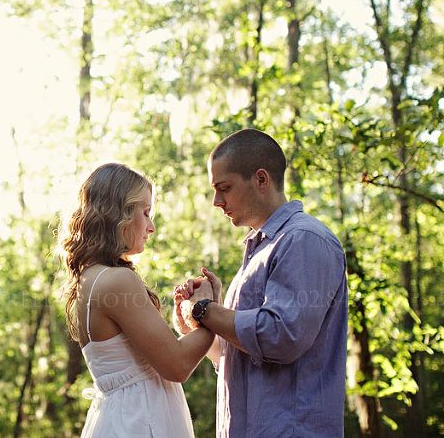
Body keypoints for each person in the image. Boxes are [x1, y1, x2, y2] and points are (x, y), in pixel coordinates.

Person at [175, 128, 348, 438]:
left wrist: (205, 310)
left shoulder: (303, 240)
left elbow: (281, 335)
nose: (216, 201)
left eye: (224, 187)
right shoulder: (259, 251)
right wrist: (199, 326)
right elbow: (235, 359)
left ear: (261, 179)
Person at [60, 162, 215, 438]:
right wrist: (209, 310)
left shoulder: (91, 277)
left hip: (122, 416)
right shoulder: (116, 281)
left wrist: (189, 325)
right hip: (141, 421)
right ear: (119, 213)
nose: (151, 226)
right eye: (146, 212)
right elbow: (177, 365)